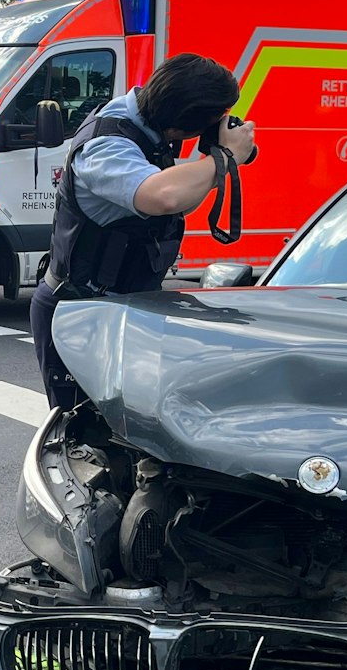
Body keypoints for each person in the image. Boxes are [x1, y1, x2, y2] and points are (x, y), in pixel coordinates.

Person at [30, 53, 257, 409]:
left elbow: (180, 201)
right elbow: (162, 197)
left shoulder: (148, 131)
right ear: (181, 123)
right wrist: (224, 158)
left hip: (125, 308)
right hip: (81, 314)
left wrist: (215, 161)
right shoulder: (107, 144)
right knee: (87, 438)